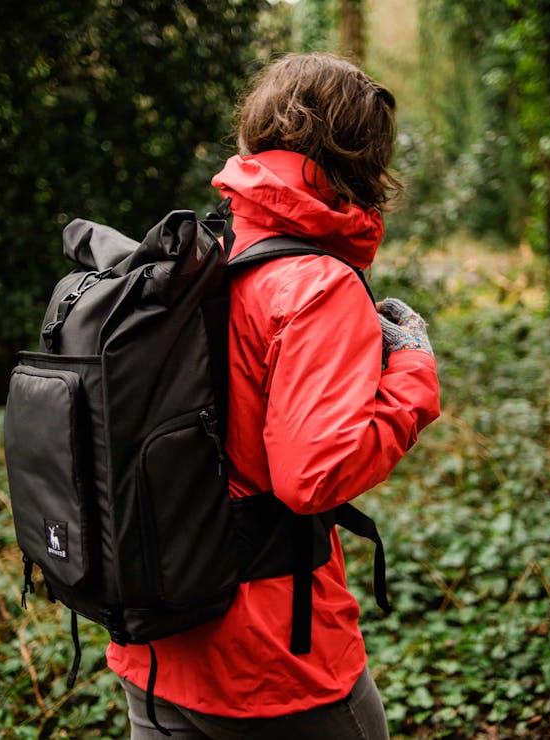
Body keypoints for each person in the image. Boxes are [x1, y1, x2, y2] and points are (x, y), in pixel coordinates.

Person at [106, 51, 441, 740]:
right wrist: (411, 374)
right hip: (273, 666)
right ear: (364, 159)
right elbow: (311, 474)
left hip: (156, 645)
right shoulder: (317, 285)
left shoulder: (205, 255)